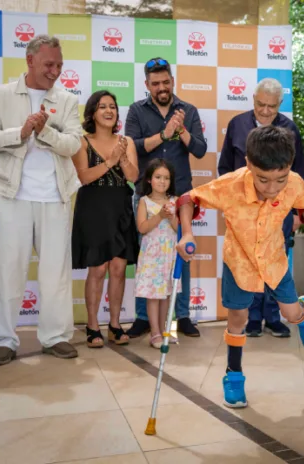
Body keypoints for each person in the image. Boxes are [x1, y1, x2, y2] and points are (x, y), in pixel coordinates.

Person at [176, 125, 304, 408]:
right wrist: (187, 234)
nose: (272, 189)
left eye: (280, 180)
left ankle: (303, 313)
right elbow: (188, 199)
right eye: (263, 179)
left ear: (290, 166)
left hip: (274, 260)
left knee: (290, 314)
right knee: (238, 318)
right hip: (239, 262)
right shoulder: (230, 185)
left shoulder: (294, 182)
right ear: (248, 163)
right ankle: (233, 375)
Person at [0, 35, 82, 365]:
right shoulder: (1, 94)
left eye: (59, 65)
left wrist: (45, 132)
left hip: (55, 196)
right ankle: (3, 340)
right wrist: (20, 133)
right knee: (8, 271)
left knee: (55, 274)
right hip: (12, 195)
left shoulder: (67, 99)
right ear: (30, 60)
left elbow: (74, 144)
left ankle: (56, 336)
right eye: (49, 64)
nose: (55, 71)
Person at [218, 78, 304, 337]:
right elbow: (225, 167)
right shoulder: (237, 124)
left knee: (275, 262)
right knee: (248, 261)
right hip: (244, 212)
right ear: (253, 100)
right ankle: (254, 318)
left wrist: (296, 212)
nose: (266, 111)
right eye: (261, 104)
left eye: (272, 106)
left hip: (279, 211)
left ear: (280, 104)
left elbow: (299, 173)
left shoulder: (290, 129)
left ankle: (274, 316)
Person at [125, 57, 206, 339]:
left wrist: (181, 131)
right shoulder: (136, 110)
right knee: (146, 257)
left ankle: (182, 316)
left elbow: (199, 150)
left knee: (182, 251)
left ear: (173, 81)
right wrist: (164, 134)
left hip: (180, 196)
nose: (161, 87)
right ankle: (142, 318)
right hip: (146, 196)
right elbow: (133, 147)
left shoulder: (189, 110)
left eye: (165, 82)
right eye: (155, 83)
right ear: (147, 85)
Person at [72, 90, 139, 348]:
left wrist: (122, 159)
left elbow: (133, 176)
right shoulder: (82, 142)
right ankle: (92, 325)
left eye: (112, 106)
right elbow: (84, 177)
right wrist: (110, 161)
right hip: (93, 207)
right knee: (98, 268)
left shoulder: (126, 141)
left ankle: (114, 325)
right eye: (102, 107)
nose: (109, 111)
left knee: (119, 268)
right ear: (92, 113)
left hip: (120, 206)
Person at [135, 159, 180, 349]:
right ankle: (154, 332)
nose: (162, 181)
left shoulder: (175, 201)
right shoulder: (144, 202)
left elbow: (179, 228)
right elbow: (142, 227)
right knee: (153, 295)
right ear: (149, 179)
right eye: (158, 177)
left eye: (166, 178)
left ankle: (164, 331)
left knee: (166, 295)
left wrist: (171, 217)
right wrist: (160, 216)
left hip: (169, 255)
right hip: (152, 256)